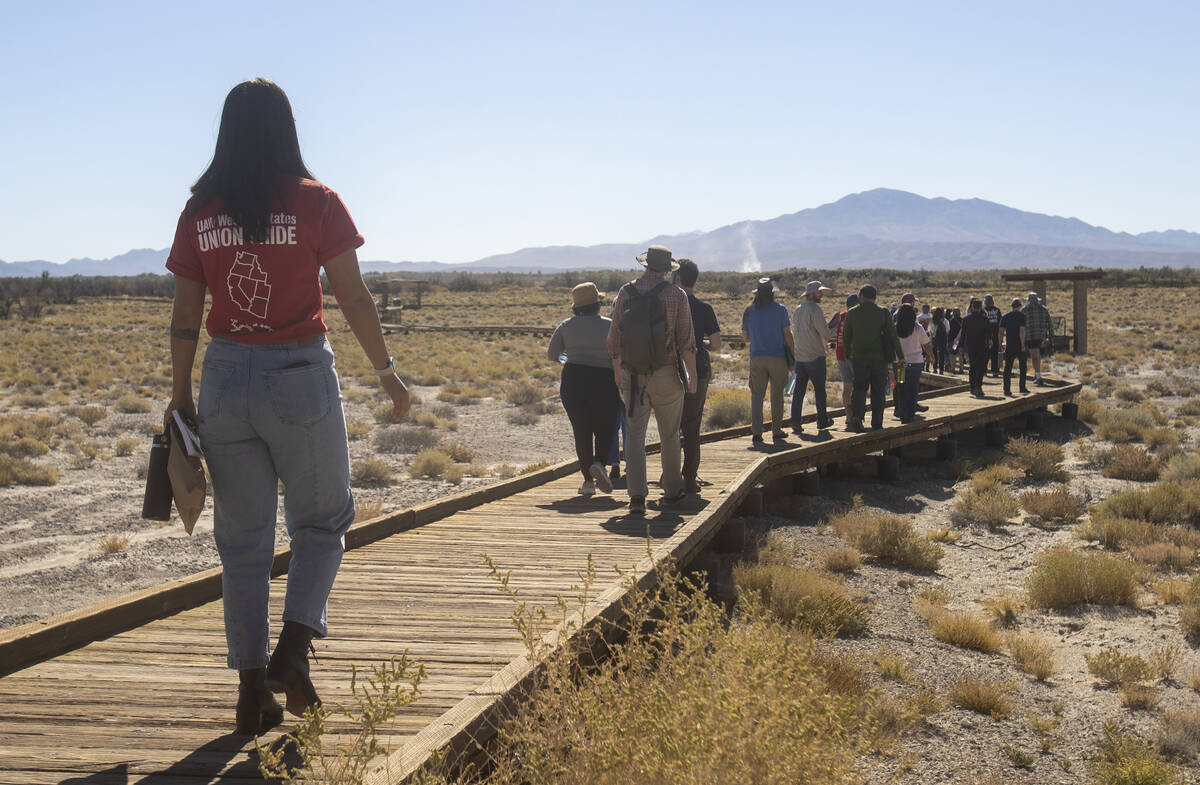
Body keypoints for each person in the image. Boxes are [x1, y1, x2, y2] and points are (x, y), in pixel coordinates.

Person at [163, 79, 411, 735]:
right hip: (298, 372)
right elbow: (353, 298)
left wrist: (180, 394)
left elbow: (187, 315)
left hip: (223, 378)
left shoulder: (199, 212)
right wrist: (387, 375)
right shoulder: (317, 203)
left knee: (242, 542)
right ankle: (294, 649)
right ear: (286, 129)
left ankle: (251, 692)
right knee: (323, 518)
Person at [606, 245, 697, 515]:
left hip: (633, 375)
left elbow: (613, 340)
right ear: (668, 269)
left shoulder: (626, 292)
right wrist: (690, 379)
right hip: (667, 373)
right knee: (670, 435)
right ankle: (671, 492)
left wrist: (617, 372)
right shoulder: (677, 295)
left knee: (635, 435)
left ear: (645, 265)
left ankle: (636, 497)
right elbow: (686, 342)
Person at [548, 282, 621, 497]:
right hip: (604, 379)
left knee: (581, 430)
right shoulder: (610, 325)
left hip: (573, 379)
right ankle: (599, 463)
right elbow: (620, 352)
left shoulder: (566, 326)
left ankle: (588, 482)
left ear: (576, 306)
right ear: (597, 303)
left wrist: (571, 358)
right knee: (605, 426)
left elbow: (552, 354)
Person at [673, 259, 721, 494]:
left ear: (678, 278)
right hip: (699, 370)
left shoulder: (670, 306)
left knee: (670, 426)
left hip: (671, 370)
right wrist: (700, 345)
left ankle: (669, 477)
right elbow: (717, 344)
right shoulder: (704, 308)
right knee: (692, 427)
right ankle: (689, 478)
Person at [842, 284, 903, 432]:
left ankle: (857, 416)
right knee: (878, 390)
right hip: (879, 358)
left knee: (859, 388)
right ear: (875, 297)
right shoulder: (883, 312)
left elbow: (846, 336)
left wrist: (847, 354)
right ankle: (877, 422)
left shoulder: (852, 313)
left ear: (861, 296)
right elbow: (893, 336)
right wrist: (900, 356)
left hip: (859, 357)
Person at [741, 277, 794, 444]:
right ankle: (776, 431)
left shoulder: (749, 311)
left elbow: (745, 337)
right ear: (772, 293)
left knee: (757, 396)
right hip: (777, 357)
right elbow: (787, 334)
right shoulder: (781, 310)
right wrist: (794, 354)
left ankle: (757, 432)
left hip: (757, 357)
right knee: (777, 395)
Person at [790, 280, 834, 432]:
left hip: (800, 356)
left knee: (798, 392)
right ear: (812, 293)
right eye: (819, 291)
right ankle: (822, 421)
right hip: (815, 356)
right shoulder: (815, 309)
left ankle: (795, 421)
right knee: (820, 391)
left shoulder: (797, 309)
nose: (821, 294)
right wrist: (836, 326)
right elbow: (826, 333)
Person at [894, 303, 932, 423]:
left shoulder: (895, 329)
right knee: (913, 388)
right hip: (915, 364)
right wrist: (931, 356)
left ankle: (902, 412)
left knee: (901, 388)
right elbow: (926, 344)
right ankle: (910, 414)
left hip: (900, 364)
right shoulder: (917, 328)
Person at [828, 293, 858, 413]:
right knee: (857, 387)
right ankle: (857, 413)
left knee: (846, 387)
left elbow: (829, 331)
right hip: (853, 355)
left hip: (840, 354)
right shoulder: (856, 316)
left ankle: (848, 415)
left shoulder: (840, 316)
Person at [960, 298, 993, 397]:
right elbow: (989, 332)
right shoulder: (985, 319)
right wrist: (990, 341)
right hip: (982, 345)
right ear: (980, 307)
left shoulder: (966, 319)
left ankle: (972, 387)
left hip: (971, 346)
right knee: (981, 367)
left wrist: (961, 345)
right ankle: (978, 386)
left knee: (972, 367)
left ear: (972, 307)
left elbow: (963, 334)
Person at [999, 297, 1029, 396]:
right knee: (1023, 367)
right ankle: (1022, 387)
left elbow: (1001, 332)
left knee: (1008, 368)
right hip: (1019, 345)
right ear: (1020, 306)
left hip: (1009, 344)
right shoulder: (1022, 316)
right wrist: (1023, 344)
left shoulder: (1005, 316)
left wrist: (1000, 343)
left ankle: (1006, 390)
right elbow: (1022, 331)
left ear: (1012, 306)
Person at [1023, 292, 1053, 386]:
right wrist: (1050, 337)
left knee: (1034, 355)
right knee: (1037, 355)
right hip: (1040, 336)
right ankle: (1037, 374)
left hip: (1030, 335)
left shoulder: (1025, 310)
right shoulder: (1044, 309)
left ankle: (1038, 376)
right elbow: (1050, 324)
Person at [983, 294, 1002, 377]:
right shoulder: (997, 310)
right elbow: (1000, 323)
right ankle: (995, 371)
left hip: (986, 335)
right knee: (994, 354)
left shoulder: (983, 311)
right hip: (996, 334)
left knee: (985, 354)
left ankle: (984, 370)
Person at [930, 306, 950, 374]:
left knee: (934, 354)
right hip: (943, 339)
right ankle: (941, 370)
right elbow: (947, 331)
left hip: (935, 339)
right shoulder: (945, 321)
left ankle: (935, 368)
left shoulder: (932, 321)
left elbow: (931, 332)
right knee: (942, 355)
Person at [947, 308, 964, 373]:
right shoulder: (962, 320)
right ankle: (961, 369)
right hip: (961, 340)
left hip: (953, 341)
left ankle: (953, 368)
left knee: (953, 354)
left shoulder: (950, 321)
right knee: (960, 354)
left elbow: (948, 331)